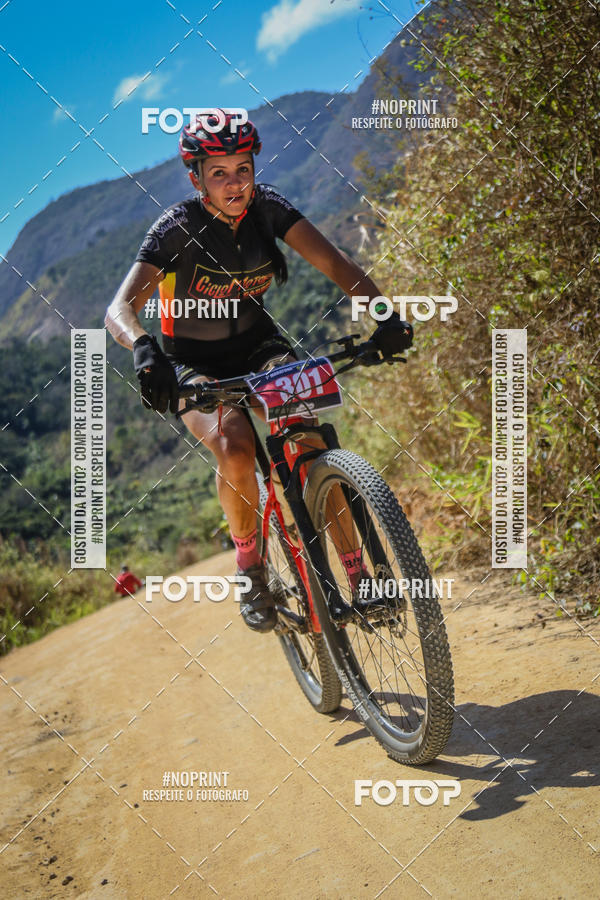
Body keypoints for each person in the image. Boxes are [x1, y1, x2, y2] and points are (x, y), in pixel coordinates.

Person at [105, 111, 393, 633]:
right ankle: (250, 567)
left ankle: (358, 573)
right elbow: (118, 310)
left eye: (243, 168)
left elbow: (337, 265)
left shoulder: (270, 209)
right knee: (235, 448)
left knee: (307, 436)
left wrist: (386, 315)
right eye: (219, 173)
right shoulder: (176, 228)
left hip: (260, 349)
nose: (235, 182)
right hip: (191, 363)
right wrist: (144, 348)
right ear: (196, 178)